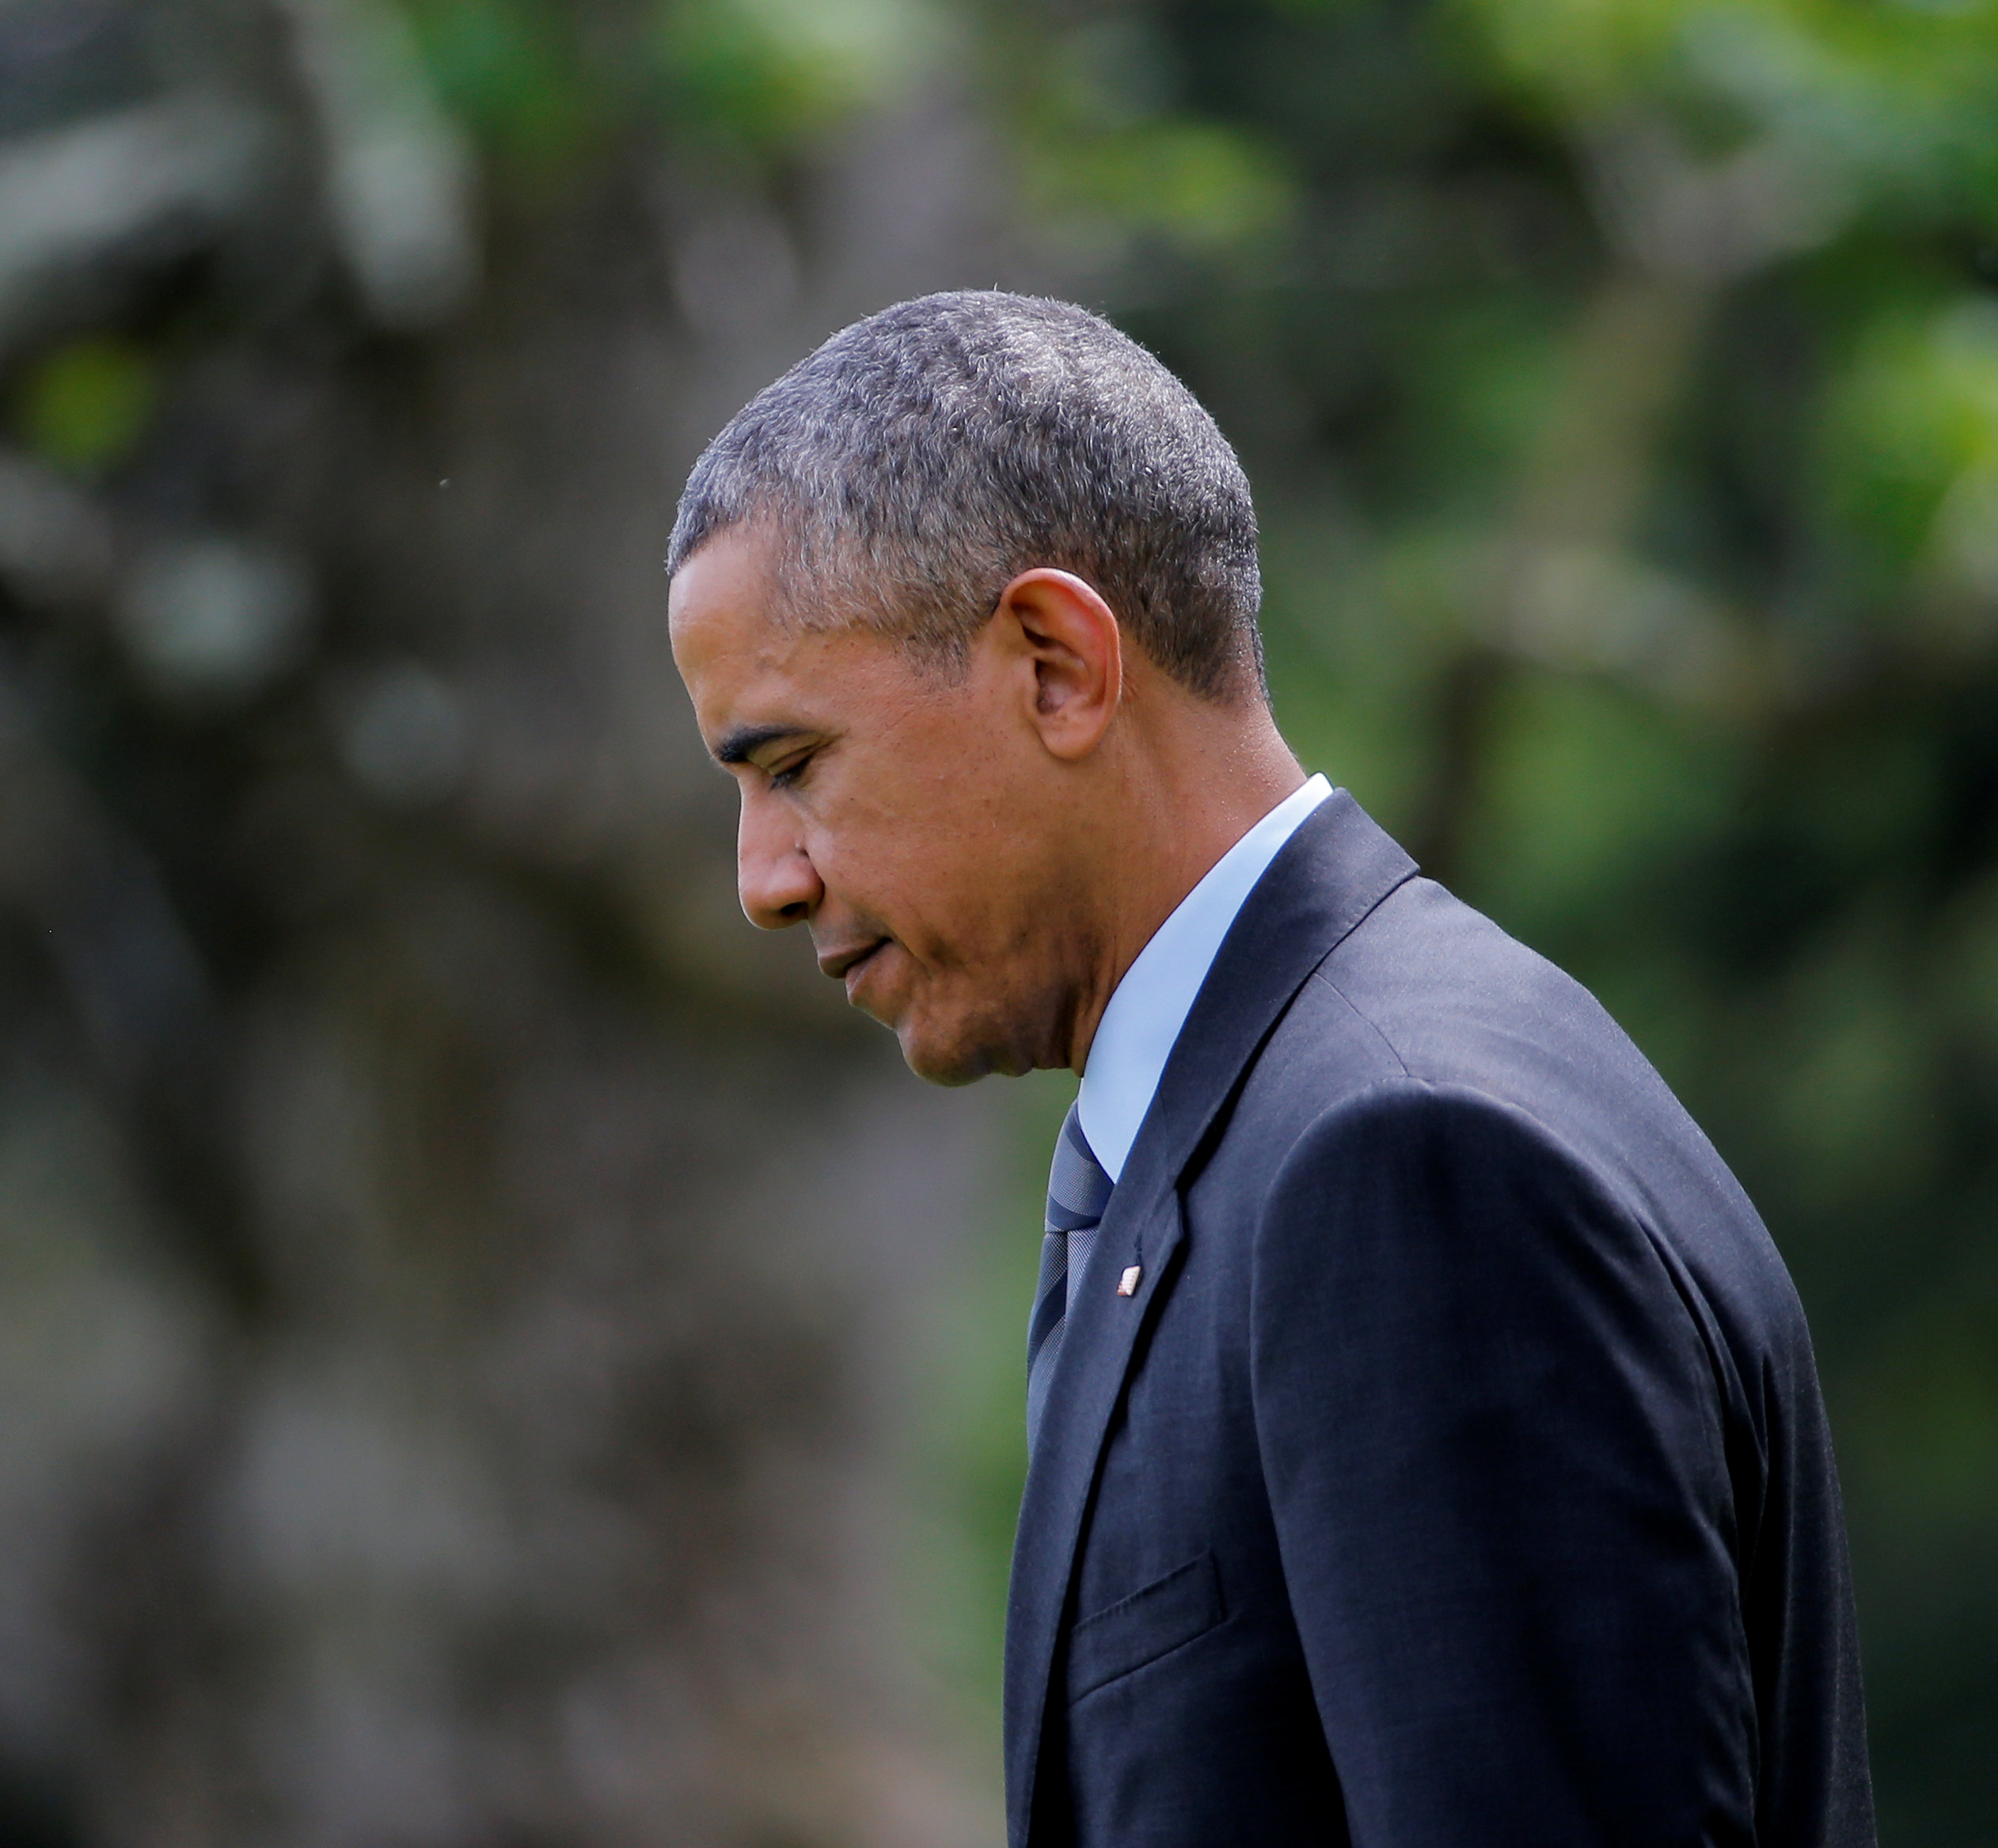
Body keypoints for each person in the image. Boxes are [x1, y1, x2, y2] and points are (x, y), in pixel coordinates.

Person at [663, 291, 1875, 1847]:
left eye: (789, 765)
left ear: (1053, 663)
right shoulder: (1267, 1135)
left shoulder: (1407, 1158)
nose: (763, 877)